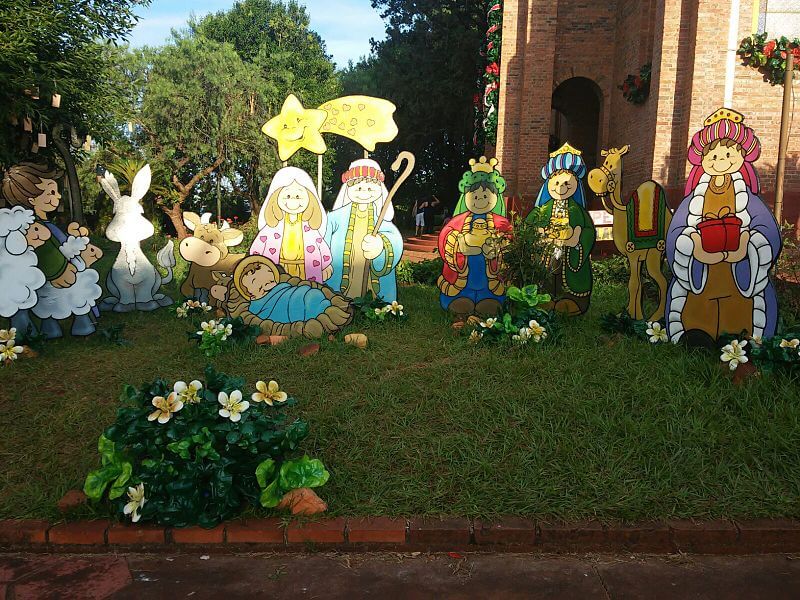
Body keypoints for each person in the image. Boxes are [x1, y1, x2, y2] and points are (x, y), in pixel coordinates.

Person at [666, 108, 782, 345]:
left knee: (738, 306)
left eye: (729, 154)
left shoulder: (748, 199)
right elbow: (677, 231)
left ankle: (740, 336)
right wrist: (694, 245)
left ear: (742, 156)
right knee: (700, 305)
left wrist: (745, 244)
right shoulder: (693, 201)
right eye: (713, 155)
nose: (721, 161)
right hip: (702, 271)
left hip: (737, 270)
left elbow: (766, 229)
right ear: (702, 159)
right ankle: (697, 332)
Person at [437, 157, 512, 317]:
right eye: (475, 197)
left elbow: (510, 241)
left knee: (489, 292)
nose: (480, 201)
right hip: (464, 272)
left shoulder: (500, 223)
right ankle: (461, 301)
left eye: (485, 196)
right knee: (462, 293)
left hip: (489, 272)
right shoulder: (458, 221)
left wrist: (497, 248)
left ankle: (489, 300)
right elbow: (446, 237)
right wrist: (459, 243)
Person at [529, 143, 596, 316]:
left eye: (567, 183)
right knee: (546, 274)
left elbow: (588, 231)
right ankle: (543, 298)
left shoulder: (578, 211)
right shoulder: (541, 211)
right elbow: (528, 227)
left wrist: (576, 241)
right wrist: (538, 236)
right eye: (557, 182)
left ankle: (571, 299)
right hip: (547, 252)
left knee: (565, 274)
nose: (561, 187)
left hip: (569, 252)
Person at [325, 159, 403, 302]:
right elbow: (323, 238)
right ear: (348, 188)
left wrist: (381, 245)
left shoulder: (381, 219)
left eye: (370, 189)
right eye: (359, 188)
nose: (364, 193)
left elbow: (394, 239)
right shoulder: (335, 218)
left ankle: (373, 304)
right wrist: (324, 263)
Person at [250, 167, 332, 283]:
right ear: (275, 198)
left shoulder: (310, 229)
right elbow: (257, 249)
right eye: (287, 196)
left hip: (306, 270)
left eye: (298, 196)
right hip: (279, 270)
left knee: (305, 292)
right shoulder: (271, 228)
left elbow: (321, 246)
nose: (293, 200)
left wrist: (326, 266)